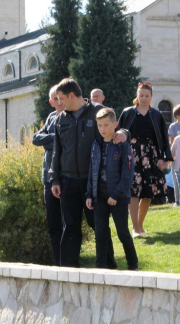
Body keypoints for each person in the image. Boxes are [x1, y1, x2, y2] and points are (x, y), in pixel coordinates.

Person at [50, 78, 128, 268]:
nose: (58, 103)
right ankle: (68, 271)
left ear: (71, 95)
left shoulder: (97, 111)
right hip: (68, 181)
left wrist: (126, 133)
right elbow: (57, 151)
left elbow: (117, 127)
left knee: (99, 227)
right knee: (70, 226)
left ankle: (109, 266)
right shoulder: (60, 118)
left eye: (61, 99)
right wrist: (54, 179)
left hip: (93, 182)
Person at [86, 108, 138, 270]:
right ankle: (102, 266)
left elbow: (127, 174)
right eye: (100, 125)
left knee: (122, 232)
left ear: (115, 124)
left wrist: (116, 195)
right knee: (100, 233)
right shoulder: (96, 144)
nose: (103, 129)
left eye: (106, 125)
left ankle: (133, 264)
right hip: (99, 197)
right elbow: (92, 171)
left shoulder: (123, 146)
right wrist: (89, 193)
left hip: (118, 198)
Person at [118, 82, 173, 238]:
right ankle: (135, 228)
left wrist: (164, 158)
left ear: (151, 97)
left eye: (146, 96)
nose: (143, 98)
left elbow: (163, 138)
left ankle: (140, 224)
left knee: (148, 192)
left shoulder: (157, 115)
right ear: (137, 95)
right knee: (134, 191)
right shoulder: (127, 113)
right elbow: (119, 133)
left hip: (151, 156)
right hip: (131, 154)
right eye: (141, 95)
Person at [32, 85, 64, 265]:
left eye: (61, 98)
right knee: (53, 222)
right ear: (51, 102)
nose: (59, 102)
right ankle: (58, 260)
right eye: (55, 99)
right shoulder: (51, 117)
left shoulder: (72, 117)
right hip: (48, 177)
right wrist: (54, 138)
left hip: (66, 176)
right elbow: (35, 139)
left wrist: (49, 140)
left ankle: (68, 260)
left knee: (67, 221)